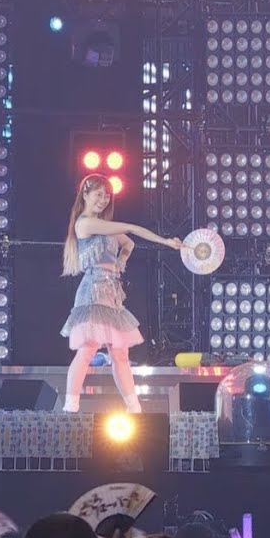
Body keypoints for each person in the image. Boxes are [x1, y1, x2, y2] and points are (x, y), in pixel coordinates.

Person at [60, 174, 183, 413]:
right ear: (85, 195)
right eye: (98, 195)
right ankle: (70, 408)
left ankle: (134, 408)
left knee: (120, 354)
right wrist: (166, 242)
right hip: (93, 292)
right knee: (87, 349)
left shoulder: (105, 227)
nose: (103, 200)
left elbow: (129, 243)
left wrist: (121, 261)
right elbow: (131, 229)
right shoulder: (85, 224)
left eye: (107, 196)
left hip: (113, 295)